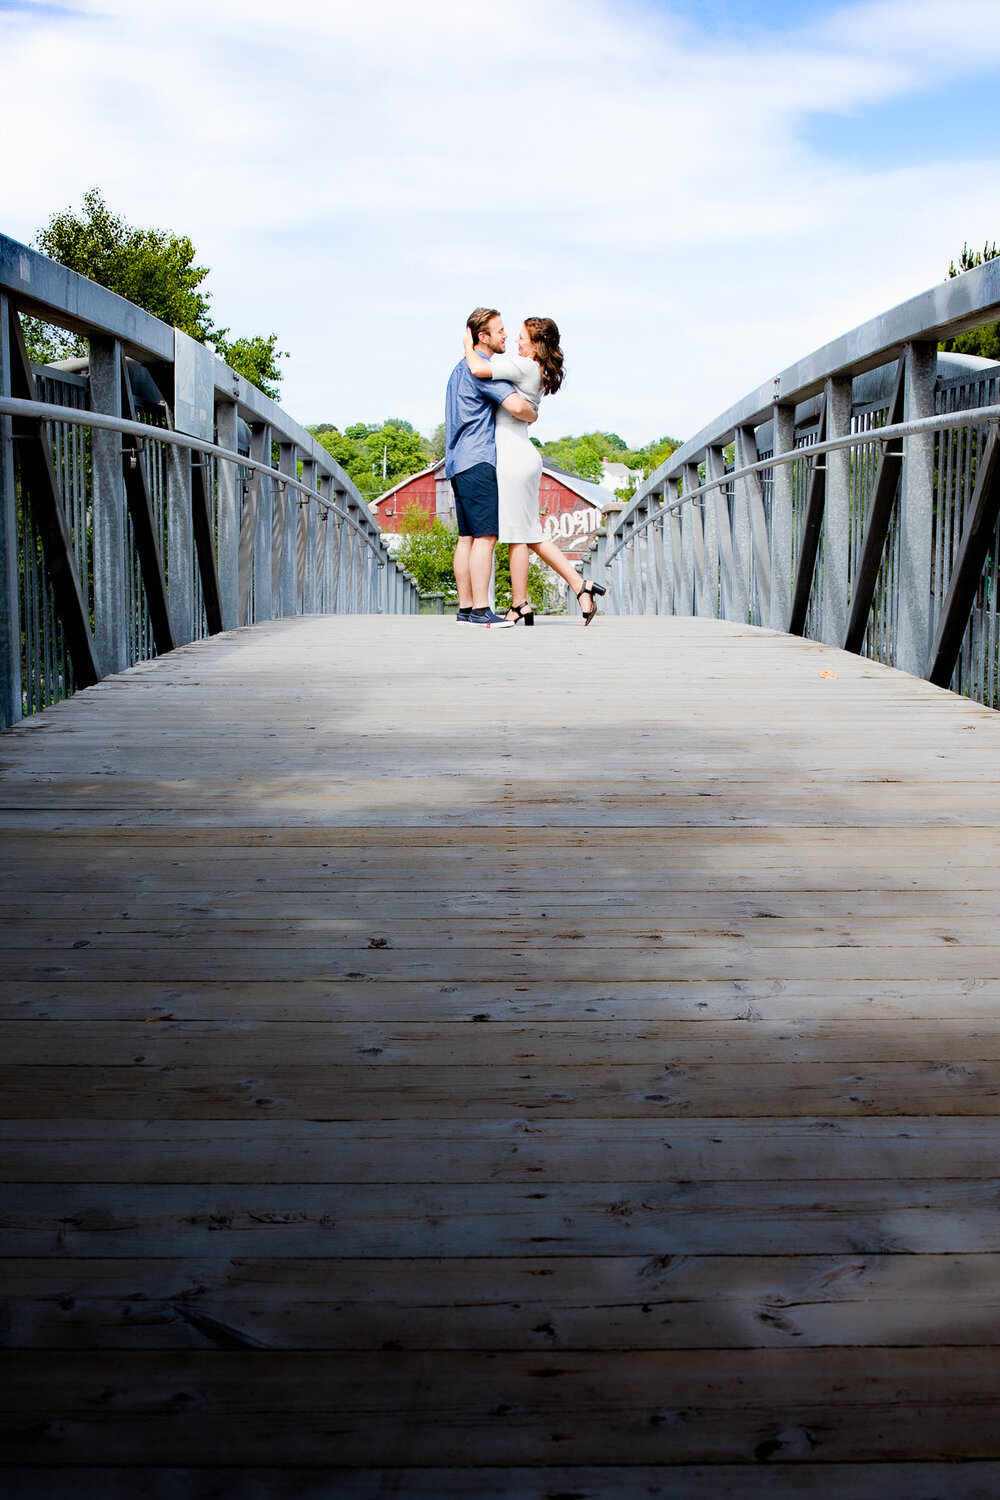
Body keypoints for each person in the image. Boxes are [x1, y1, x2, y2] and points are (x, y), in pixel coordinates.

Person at [462, 315, 606, 625]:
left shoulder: (525, 366)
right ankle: (524, 603)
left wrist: (467, 340)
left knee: (524, 533)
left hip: (513, 456)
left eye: (522, 338)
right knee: (522, 534)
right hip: (521, 452)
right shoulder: (537, 371)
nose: (516, 342)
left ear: (535, 344)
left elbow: (478, 368)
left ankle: (577, 585)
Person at [445, 307, 539, 626]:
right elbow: (517, 406)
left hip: (456, 462)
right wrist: (533, 412)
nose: (505, 335)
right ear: (482, 337)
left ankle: (466, 607)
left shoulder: (458, 370)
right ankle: (482, 610)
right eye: (499, 330)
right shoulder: (483, 369)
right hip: (479, 460)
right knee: (486, 537)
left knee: (467, 538)